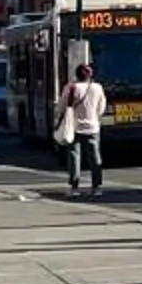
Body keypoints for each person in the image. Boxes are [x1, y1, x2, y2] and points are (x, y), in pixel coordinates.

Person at [58, 62, 108, 196]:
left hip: (73, 127)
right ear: (90, 75)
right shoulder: (97, 88)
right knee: (95, 157)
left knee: (74, 156)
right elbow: (101, 107)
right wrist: (94, 117)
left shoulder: (71, 87)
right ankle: (96, 186)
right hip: (92, 127)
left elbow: (61, 107)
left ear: (77, 74)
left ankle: (74, 187)